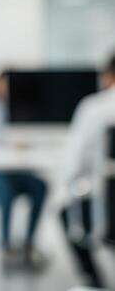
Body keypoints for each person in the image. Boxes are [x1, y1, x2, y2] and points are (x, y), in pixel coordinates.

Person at [0, 72, 48, 268]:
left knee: (40, 186)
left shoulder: (23, 111)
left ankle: (29, 243)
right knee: (5, 188)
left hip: (15, 170)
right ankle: (5, 245)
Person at [60, 53, 115, 288]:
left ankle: (95, 283)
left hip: (109, 210)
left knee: (64, 210)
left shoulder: (95, 109)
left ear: (109, 76)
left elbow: (72, 168)